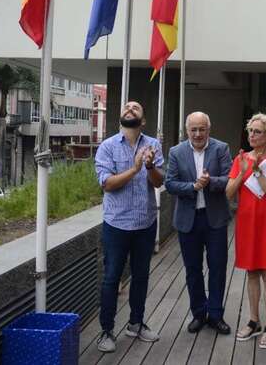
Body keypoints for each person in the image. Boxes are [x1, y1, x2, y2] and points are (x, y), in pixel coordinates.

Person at [93, 101, 164, 353]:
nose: (130, 109)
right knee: (112, 278)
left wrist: (149, 167)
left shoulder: (153, 145)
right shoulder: (107, 146)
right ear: (120, 117)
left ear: (142, 120)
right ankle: (106, 330)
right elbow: (107, 184)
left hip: (145, 223)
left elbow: (158, 182)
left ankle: (136, 323)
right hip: (116, 224)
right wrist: (135, 169)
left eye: (136, 108)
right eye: (126, 107)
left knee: (141, 277)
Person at [164, 111, 232, 335]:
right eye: (193, 129)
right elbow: (170, 183)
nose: (198, 133)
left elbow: (229, 179)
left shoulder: (221, 148)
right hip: (188, 221)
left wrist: (209, 181)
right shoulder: (176, 151)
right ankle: (198, 313)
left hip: (215, 219)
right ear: (187, 131)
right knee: (193, 270)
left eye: (202, 129)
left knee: (218, 268)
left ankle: (215, 315)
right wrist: (193, 186)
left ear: (208, 130)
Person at [226, 113, 266, 349]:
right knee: (251, 273)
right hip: (247, 222)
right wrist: (242, 172)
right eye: (250, 130)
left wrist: (258, 171)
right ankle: (254, 320)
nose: (251, 135)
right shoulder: (240, 158)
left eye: (257, 131)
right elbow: (229, 193)